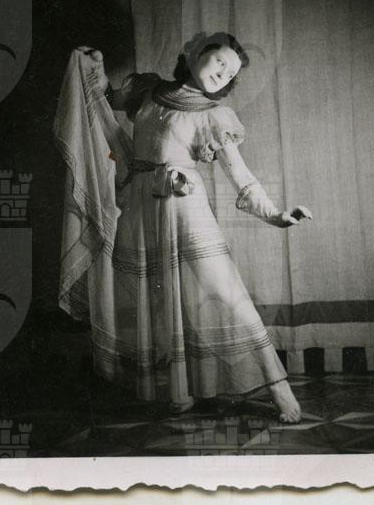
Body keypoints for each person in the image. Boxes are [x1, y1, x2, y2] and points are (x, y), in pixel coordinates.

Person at [77, 33, 311, 423]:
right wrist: (96, 66)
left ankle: (277, 385)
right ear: (192, 54)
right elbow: (105, 100)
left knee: (226, 292)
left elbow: (240, 175)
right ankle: (177, 390)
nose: (224, 73)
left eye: (231, 72)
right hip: (139, 208)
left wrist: (276, 215)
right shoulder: (148, 90)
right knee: (155, 298)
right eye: (220, 61)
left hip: (183, 205)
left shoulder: (212, 115)